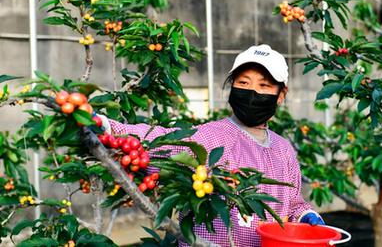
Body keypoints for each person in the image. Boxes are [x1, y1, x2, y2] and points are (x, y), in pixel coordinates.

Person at [100, 44, 324, 246]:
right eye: (244, 83)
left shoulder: (284, 150)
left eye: (264, 85)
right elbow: (163, 141)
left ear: (281, 95)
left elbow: (293, 203)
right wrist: (109, 128)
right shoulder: (210, 138)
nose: (252, 92)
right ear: (232, 86)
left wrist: (305, 215)